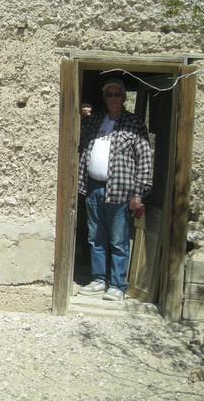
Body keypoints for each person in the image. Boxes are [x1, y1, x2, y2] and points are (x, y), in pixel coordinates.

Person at [77, 78, 152, 301]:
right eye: (109, 95)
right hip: (93, 188)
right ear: (104, 98)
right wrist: (79, 110)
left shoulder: (134, 123)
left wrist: (138, 193)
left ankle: (118, 286)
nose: (113, 99)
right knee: (95, 237)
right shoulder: (96, 120)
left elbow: (145, 159)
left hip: (121, 191)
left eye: (117, 95)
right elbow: (75, 132)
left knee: (118, 241)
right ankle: (99, 279)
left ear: (124, 98)